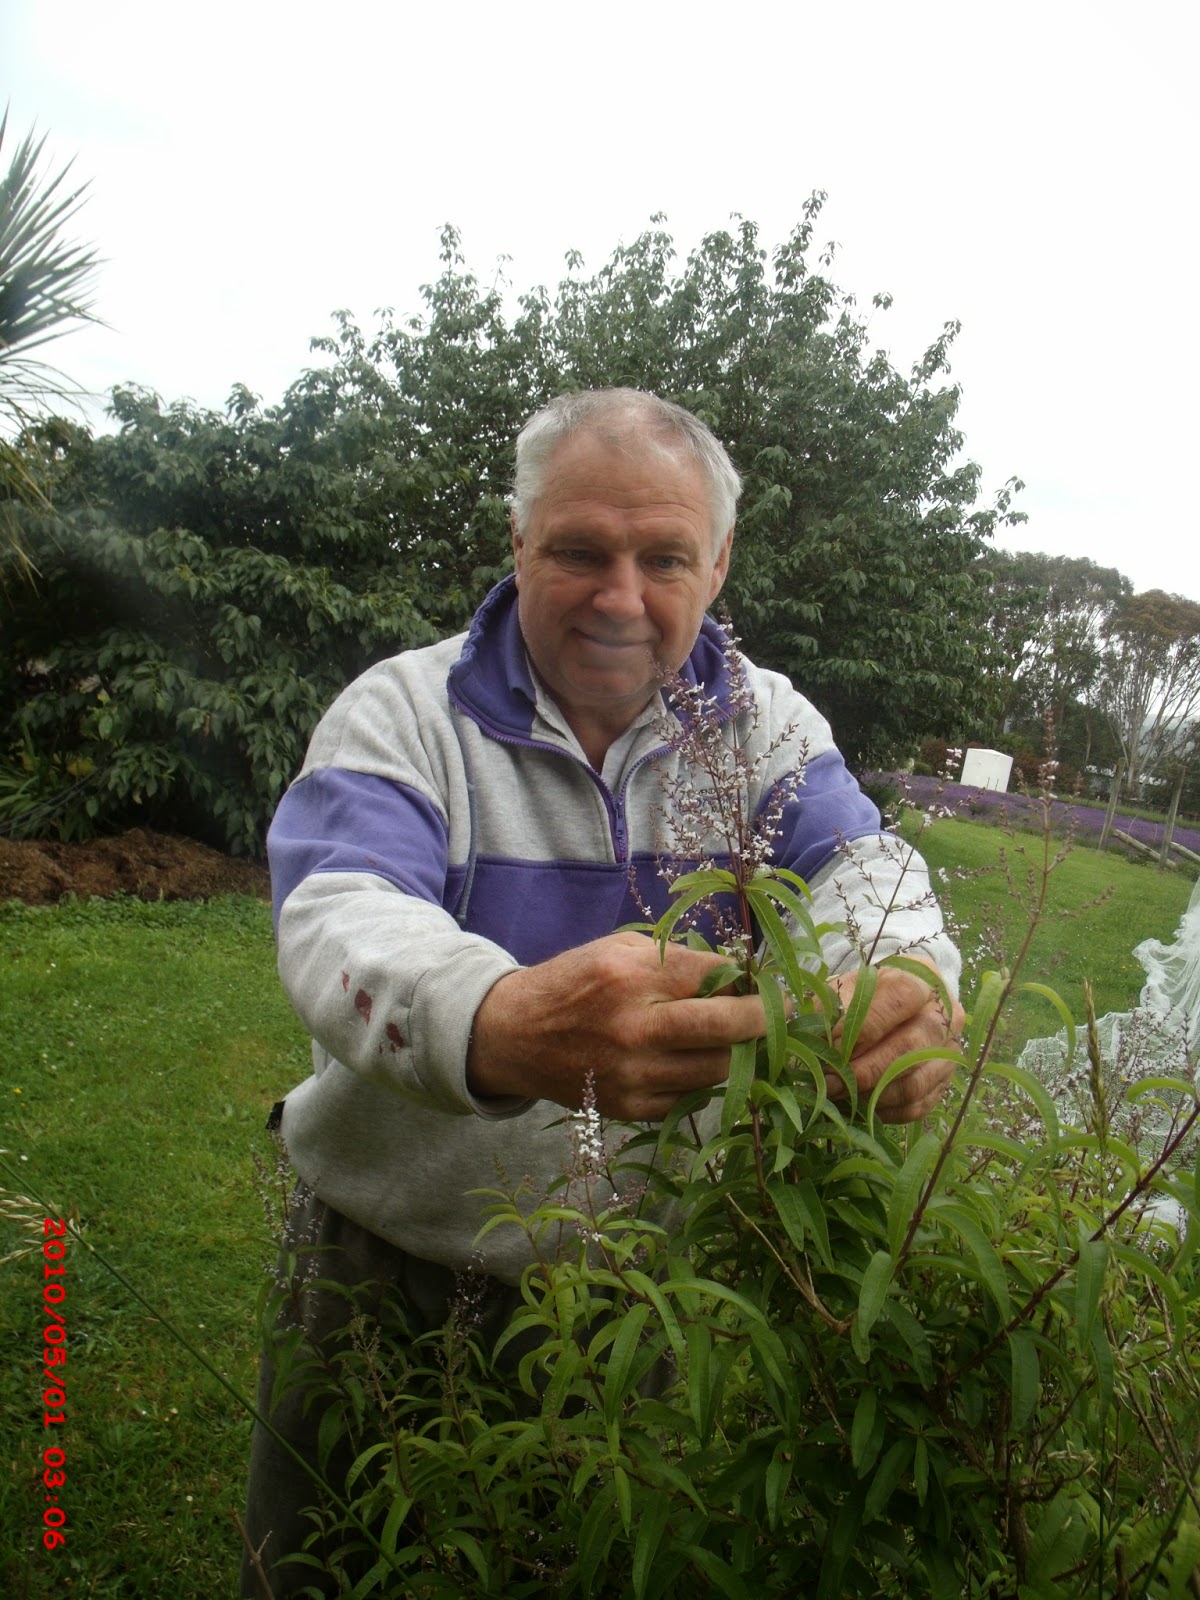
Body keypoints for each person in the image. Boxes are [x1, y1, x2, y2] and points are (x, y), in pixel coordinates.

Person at [240, 388, 964, 1595]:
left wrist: (907, 983)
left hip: (649, 1300)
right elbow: (337, 914)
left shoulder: (767, 729)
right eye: (580, 550)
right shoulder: (404, 712)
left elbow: (868, 874)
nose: (620, 598)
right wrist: (498, 1022)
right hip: (386, 1267)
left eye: (664, 558)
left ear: (719, 565)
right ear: (519, 541)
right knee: (328, 1563)